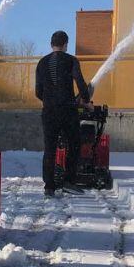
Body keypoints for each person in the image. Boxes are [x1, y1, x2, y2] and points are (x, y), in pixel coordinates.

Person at [35, 30, 91, 197]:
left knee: (50, 148)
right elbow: (80, 82)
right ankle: (68, 181)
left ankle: (49, 187)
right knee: (74, 144)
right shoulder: (71, 60)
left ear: (51, 44)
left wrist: (49, 99)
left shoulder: (42, 63)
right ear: (66, 44)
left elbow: (38, 91)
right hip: (68, 110)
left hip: (49, 111)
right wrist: (85, 99)